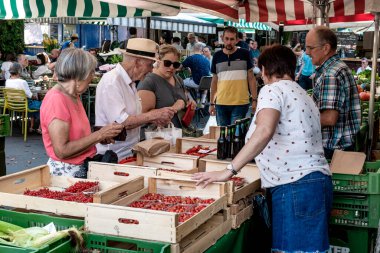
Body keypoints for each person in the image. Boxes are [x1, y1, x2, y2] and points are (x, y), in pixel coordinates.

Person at [193, 45, 332, 253]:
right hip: (314, 182)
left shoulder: (272, 90)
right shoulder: (302, 93)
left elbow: (265, 130)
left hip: (295, 184)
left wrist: (228, 171)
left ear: (265, 70)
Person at [40, 49, 124, 177]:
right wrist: (99, 135)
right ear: (80, 75)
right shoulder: (57, 99)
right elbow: (62, 151)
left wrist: (100, 135)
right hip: (67, 174)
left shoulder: (73, 95)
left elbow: (77, 136)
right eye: (91, 72)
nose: (92, 76)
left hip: (81, 167)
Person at [95, 38, 176, 160]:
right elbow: (122, 123)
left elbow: (133, 117)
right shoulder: (112, 82)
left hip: (127, 153)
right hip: (113, 156)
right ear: (137, 62)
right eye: (150, 65)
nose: (151, 70)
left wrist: (154, 118)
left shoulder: (130, 82)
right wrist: (154, 115)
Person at [306, 26, 361, 159]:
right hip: (340, 146)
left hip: (332, 147)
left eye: (310, 48)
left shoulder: (331, 74)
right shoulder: (338, 67)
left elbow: (329, 118)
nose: (306, 52)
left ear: (325, 48)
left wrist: (301, 120)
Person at [138, 45, 195, 128]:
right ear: (158, 60)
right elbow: (144, 115)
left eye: (175, 64)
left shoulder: (178, 79)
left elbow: (184, 99)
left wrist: (189, 103)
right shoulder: (148, 81)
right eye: (167, 63)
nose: (171, 67)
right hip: (157, 136)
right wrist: (174, 108)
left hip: (177, 133)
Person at [209, 26, 257, 126]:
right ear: (222, 38)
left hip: (240, 102)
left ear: (237, 40)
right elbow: (214, 81)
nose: (229, 42)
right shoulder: (217, 56)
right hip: (221, 102)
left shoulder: (245, 54)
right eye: (227, 39)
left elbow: (251, 79)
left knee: (235, 136)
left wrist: (254, 99)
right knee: (223, 135)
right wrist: (212, 103)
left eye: (232, 39)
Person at [6, 63, 42, 133]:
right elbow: (30, 95)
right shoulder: (23, 82)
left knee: (35, 105)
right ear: (19, 71)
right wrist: (35, 97)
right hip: (25, 105)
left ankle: (33, 126)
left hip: (12, 105)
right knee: (42, 104)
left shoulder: (7, 81)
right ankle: (40, 127)